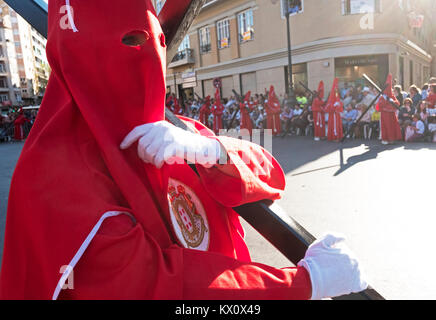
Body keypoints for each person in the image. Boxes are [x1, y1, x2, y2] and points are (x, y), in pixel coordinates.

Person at [0, 0, 367, 300]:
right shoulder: (51, 178)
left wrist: (211, 151)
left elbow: (269, 174)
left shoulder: (169, 131)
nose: (145, 60)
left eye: (154, 42)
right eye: (129, 42)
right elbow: (155, 287)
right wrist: (306, 284)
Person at [376, 74, 403, 145]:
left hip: (391, 114)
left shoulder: (392, 96)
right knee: (385, 126)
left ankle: (392, 138)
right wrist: (385, 107)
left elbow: (397, 103)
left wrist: (392, 102)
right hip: (385, 114)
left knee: (391, 126)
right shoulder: (383, 97)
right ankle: (385, 138)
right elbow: (379, 105)